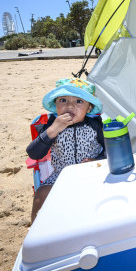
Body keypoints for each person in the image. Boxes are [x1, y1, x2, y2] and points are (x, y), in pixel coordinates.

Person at [27, 78, 105, 222]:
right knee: (41, 193)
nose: (70, 105)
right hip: (61, 174)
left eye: (79, 101)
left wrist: (97, 160)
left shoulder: (96, 125)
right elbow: (33, 153)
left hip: (91, 172)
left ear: (89, 108)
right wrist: (53, 129)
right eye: (63, 100)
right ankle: (35, 231)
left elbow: (109, 150)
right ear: (55, 105)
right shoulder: (50, 124)